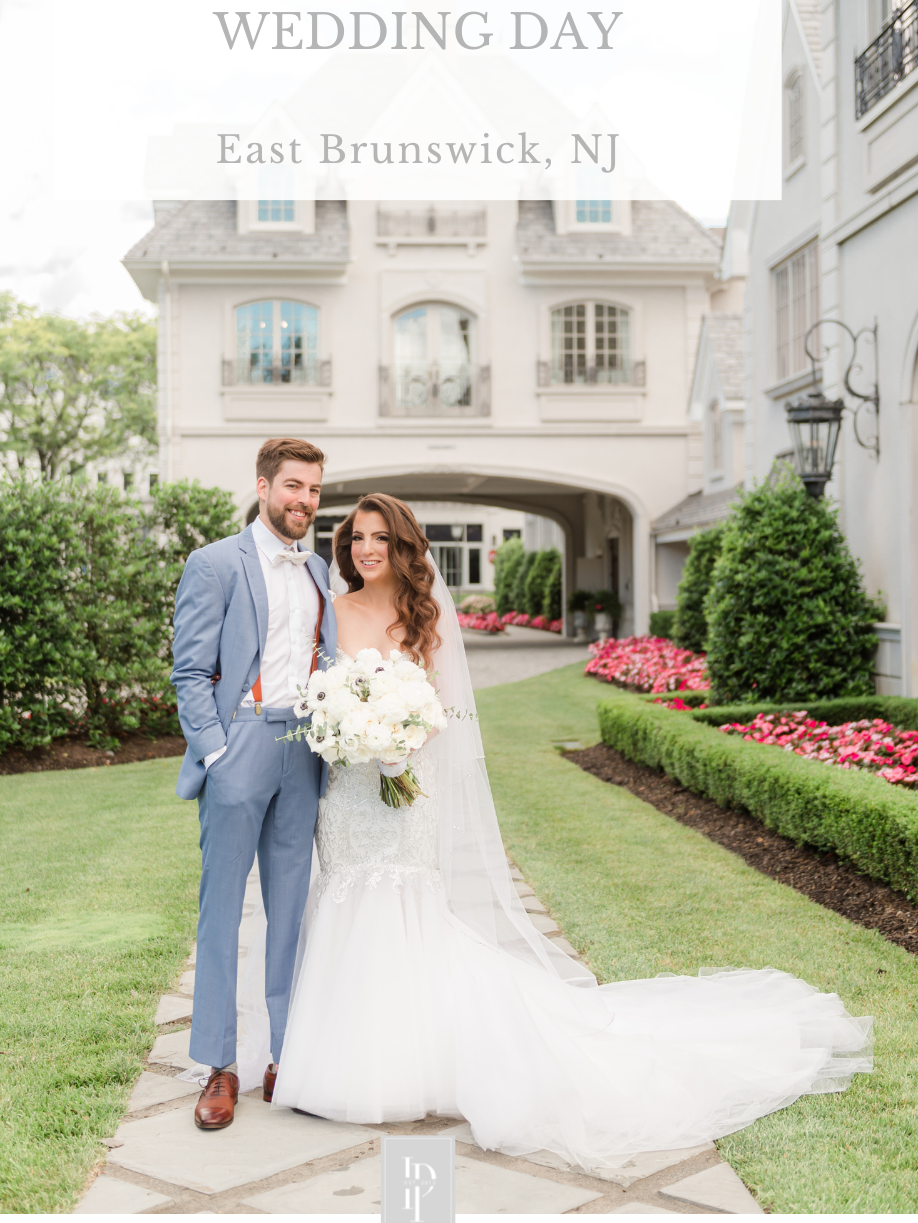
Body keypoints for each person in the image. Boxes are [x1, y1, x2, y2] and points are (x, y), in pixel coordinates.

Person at [237, 492, 872, 1169]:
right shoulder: (328, 615)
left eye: (380, 538)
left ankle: (406, 1063)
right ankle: (334, 1058)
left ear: (403, 549)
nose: (366, 549)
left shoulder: (424, 622)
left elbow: (443, 713)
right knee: (343, 902)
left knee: (400, 906)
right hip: (344, 794)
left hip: (402, 792)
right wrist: (344, 736)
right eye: (357, 537)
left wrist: (398, 744)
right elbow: (305, 696)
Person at [171, 437, 336, 1132]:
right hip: (239, 743)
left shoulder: (322, 569)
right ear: (264, 486)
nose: (305, 501)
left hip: (303, 751)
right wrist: (215, 753)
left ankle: (286, 1057)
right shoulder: (214, 564)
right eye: (293, 486)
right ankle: (219, 1065)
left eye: (315, 491)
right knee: (221, 915)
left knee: (291, 913)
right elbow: (187, 671)